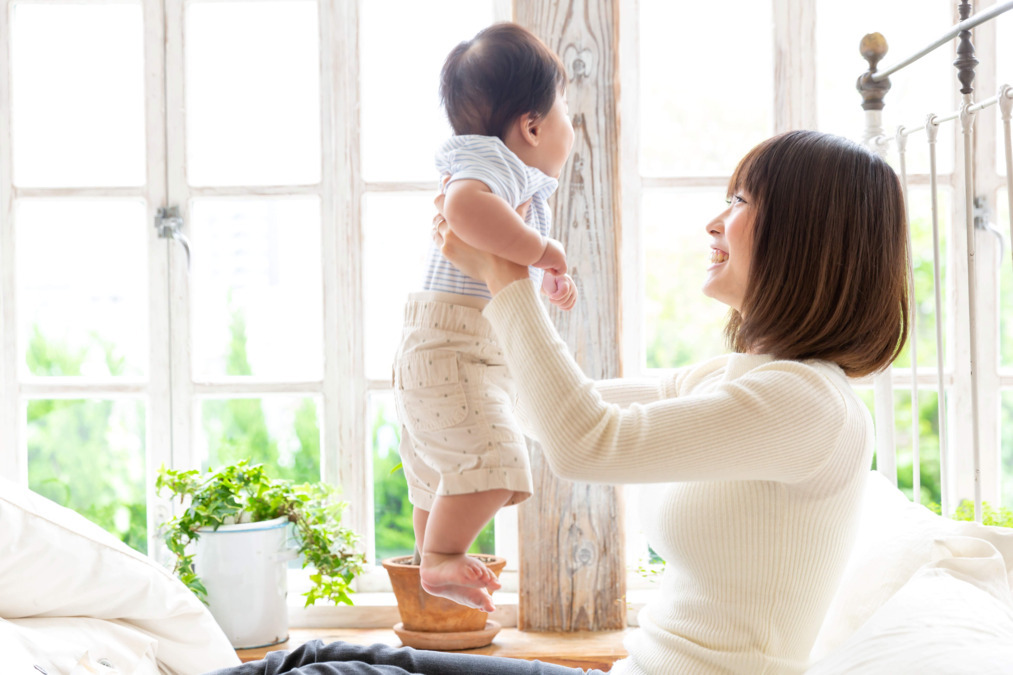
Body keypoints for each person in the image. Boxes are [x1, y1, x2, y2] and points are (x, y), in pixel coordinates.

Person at [209, 130, 909, 674]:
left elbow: (585, 441)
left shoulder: (808, 407)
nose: (713, 223)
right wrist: (448, 344)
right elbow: (545, 410)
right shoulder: (737, 378)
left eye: (739, 202)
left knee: (327, 671)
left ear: (805, 238)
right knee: (307, 658)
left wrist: (506, 273)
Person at [392, 22, 578, 614]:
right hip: (454, 350)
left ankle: (432, 555)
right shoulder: (491, 160)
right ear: (531, 126)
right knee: (497, 463)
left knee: (441, 474)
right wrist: (545, 252)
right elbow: (464, 207)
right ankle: (443, 556)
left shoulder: (505, 168)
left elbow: (493, 249)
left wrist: (541, 269)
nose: (570, 122)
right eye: (565, 108)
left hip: (450, 350)